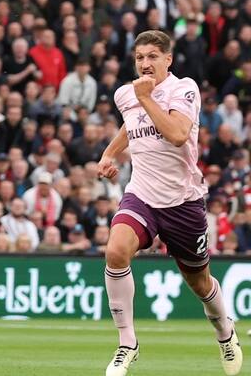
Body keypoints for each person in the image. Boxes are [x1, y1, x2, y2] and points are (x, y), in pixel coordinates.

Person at [97, 30, 243, 376]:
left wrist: (146, 98)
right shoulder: (127, 94)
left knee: (199, 282)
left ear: (167, 60)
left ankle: (225, 332)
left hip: (183, 202)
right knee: (115, 250)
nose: (145, 64)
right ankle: (126, 343)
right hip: (142, 194)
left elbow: (177, 135)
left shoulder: (184, 89)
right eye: (139, 57)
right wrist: (109, 152)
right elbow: (131, 124)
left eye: (151, 57)